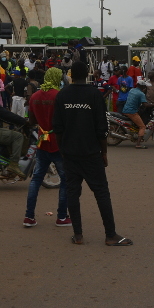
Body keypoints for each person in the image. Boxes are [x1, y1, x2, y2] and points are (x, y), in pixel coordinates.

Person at [54, 61, 132, 246]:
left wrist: (63, 150)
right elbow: (102, 128)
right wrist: (104, 152)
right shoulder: (94, 95)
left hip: (70, 154)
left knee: (73, 193)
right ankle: (110, 235)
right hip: (91, 153)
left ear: (71, 74)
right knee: (102, 193)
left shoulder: (62, 95)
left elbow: (57, 127)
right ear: (87, 75)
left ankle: (78, 235)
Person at [23, 67, 70, 228]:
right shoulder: (60, 96)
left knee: (36, 179)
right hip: (58, 143)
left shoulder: (34, 97)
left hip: (42, 141)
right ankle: (62, 217)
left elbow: (31, 121)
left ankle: (29, 217)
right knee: (65, 180)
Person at [122, 79, 154, 149]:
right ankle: (138, 144)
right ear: (142, 87)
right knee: (142, 126)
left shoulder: (132, 90)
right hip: (132, 112)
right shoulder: (141, 94)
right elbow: (145, 105)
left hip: (125, 110)